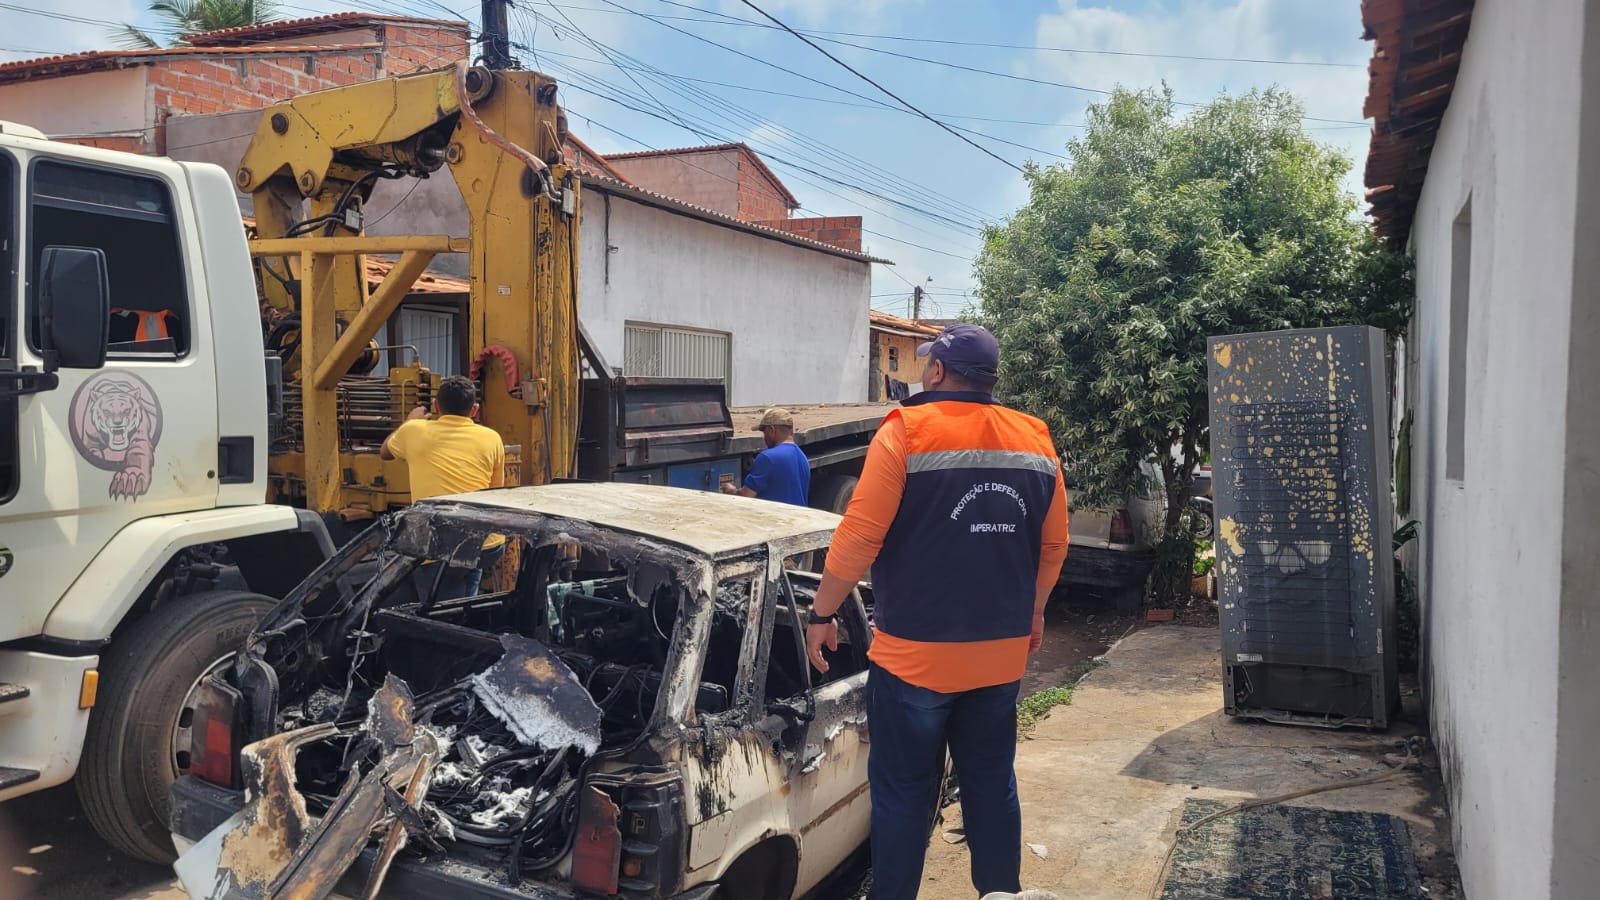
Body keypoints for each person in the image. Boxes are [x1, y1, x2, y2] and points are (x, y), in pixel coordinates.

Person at [804, 324, 1070, 900]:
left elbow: (857, 541)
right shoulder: (1035, 438)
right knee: (991, 784)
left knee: (903, 794)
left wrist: (821, 614)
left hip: (914, 659)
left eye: (928, 362)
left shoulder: (905, 431)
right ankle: (1000, 893)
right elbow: (1053, 546)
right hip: (999, 655)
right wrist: (1037, 611)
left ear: (939, 372)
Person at [382, 375, 507, 600]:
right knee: (467, 580)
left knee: (446, 603)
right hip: (489, 543)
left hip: (442, 546)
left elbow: (385, 452)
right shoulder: (493, 438)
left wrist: (409, 422)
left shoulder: (414, 431)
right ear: (475, 410)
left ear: (436, 406)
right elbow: (494, 490)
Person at [722, 407, 811, 506]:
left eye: (764, 432)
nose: (764, 437)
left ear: (771, 430)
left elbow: (745, 497)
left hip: (776, 520)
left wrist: (731, 491)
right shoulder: (802, 457)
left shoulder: (768, 458)